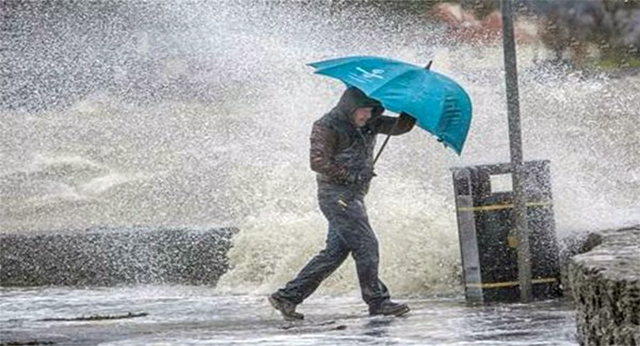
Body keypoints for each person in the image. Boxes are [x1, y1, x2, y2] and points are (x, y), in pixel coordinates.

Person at [268, 87, 416, 320]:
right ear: (350, 107)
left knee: (334, 253)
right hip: (335, 195)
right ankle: (378, 301)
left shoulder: (371, 122)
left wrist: (411, 107)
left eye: (371, 111)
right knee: (367, 245)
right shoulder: (326, 125)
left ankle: (287, 296)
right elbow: (317, 162)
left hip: (354, 196)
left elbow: (400, 127)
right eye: (363, 111)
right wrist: (349, 175)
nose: (367, 116)